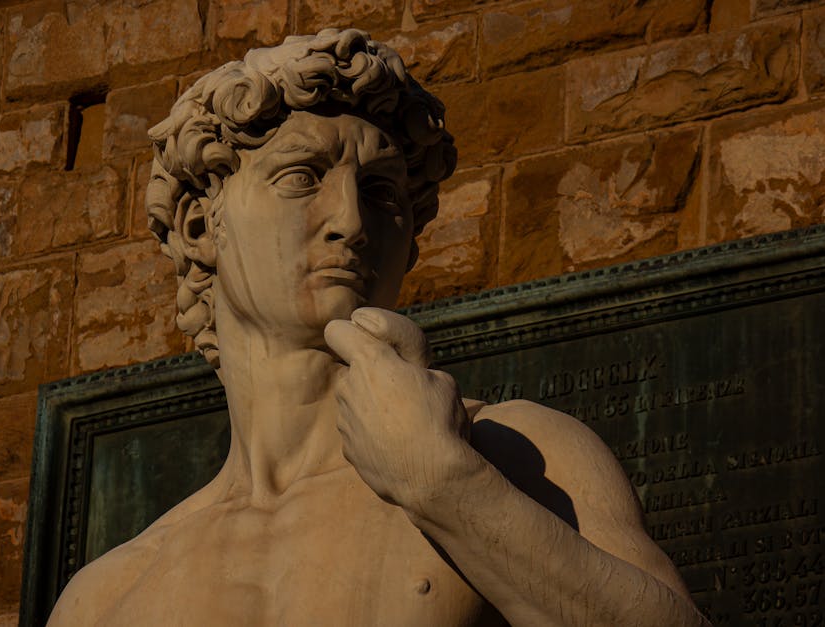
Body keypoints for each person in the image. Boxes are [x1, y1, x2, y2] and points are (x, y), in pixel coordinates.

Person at [47, 29, 710, 626]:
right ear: (199, 226)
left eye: (382, 193)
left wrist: (446, 488)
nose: (352, 222)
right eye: (303, 177)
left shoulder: (519, 458)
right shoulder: (106, 599)